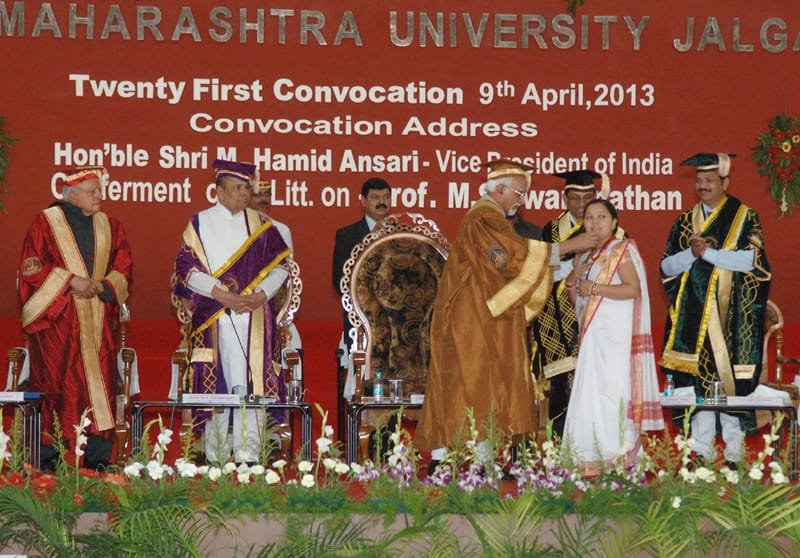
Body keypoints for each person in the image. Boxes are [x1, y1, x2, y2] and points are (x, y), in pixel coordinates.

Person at [416, 159, 599, 465]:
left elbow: (510, 262)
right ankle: (458, 458)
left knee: (482, 384)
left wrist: (567, 266)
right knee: (472, 383)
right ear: (499, 189)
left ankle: (478, 458)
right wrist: (569, 247)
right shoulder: (484, 217)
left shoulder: (489, 216)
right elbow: (511, 259)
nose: (521, 200)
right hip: (473, 318)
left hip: (482, 312)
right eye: (518, 192)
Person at [172, 159, 290, 464]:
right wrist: (221, 294)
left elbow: (280, 269)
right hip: (215, 316)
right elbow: (187, 269)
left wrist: (261, 294)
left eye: (246, 188)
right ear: (219, 192)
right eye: (237, 188)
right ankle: (216, 456)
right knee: (218, 386)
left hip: (255, 318)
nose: (244, 194)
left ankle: (250, 454)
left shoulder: (262, 224)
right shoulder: (199, 222)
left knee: (253, 383)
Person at [659, 152, 771, 464]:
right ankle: (701, 453)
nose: (703, 186)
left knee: (730, 383)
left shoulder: (744, 216)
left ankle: (734, 455)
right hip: (693, 320)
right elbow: (667, 265)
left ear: (726, 182)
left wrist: (707, 254)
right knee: (697, 385)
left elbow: (751, 261)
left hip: (731, 318)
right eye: (699, 181)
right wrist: (692, 254)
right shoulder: (685, 220)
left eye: (710, 180)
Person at [18, 167, 132, 466]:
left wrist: (102, 286)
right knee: (54, 385)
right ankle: (47, 457)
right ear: (71, 195)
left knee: (99, 386)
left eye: (100, 190)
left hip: (97, 322)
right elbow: (31, 266)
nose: (100, 196)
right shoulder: (46, 222)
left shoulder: (111, 225)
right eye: (93, 191)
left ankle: (97, 456)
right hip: (58, 323)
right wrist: (70, 281)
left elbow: (123, 268)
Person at [561, 199, 664, 474]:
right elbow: (577, 301)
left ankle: (620, 456)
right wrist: (573, 279)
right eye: (590, 217)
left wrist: (594, 287)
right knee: (591, 393)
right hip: (593, 337)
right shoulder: (584, 255)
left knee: (614, 392)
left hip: (615, 338)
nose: (595, 222)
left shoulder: (622, 250)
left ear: (614, 222)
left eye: (601, 217)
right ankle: (590, 457)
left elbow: (633, 289)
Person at [530, 170, 619, 438]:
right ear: (564, 199)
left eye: (587, 198)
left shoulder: (610, 229)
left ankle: (595, 440)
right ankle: (559, 438)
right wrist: (572, 268)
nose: (581, 205)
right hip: (555, 316)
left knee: (594, 379)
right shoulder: (552, 229)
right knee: (561, 382)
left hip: (593, 311)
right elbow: (540, 268)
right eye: (574, 198)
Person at [331, 177, 392, 438]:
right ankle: (357, 443)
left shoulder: (399, 232)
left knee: (390, 384)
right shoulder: (347, 235)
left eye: (386, 196)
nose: (382, 202)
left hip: (395, 326)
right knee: (362, 383)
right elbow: (339, 280)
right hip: (362, 323)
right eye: (376, 197)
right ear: (363, 200)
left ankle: (388, 445)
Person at [249, 180, 302, 380]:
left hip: (272, 307)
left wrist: (259, 295)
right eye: (257, 194)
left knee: (292, 340)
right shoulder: (235, 228)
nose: (263, 199)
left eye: (267, 194)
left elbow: (282, 273)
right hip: (236, 306)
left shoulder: (281, 230)